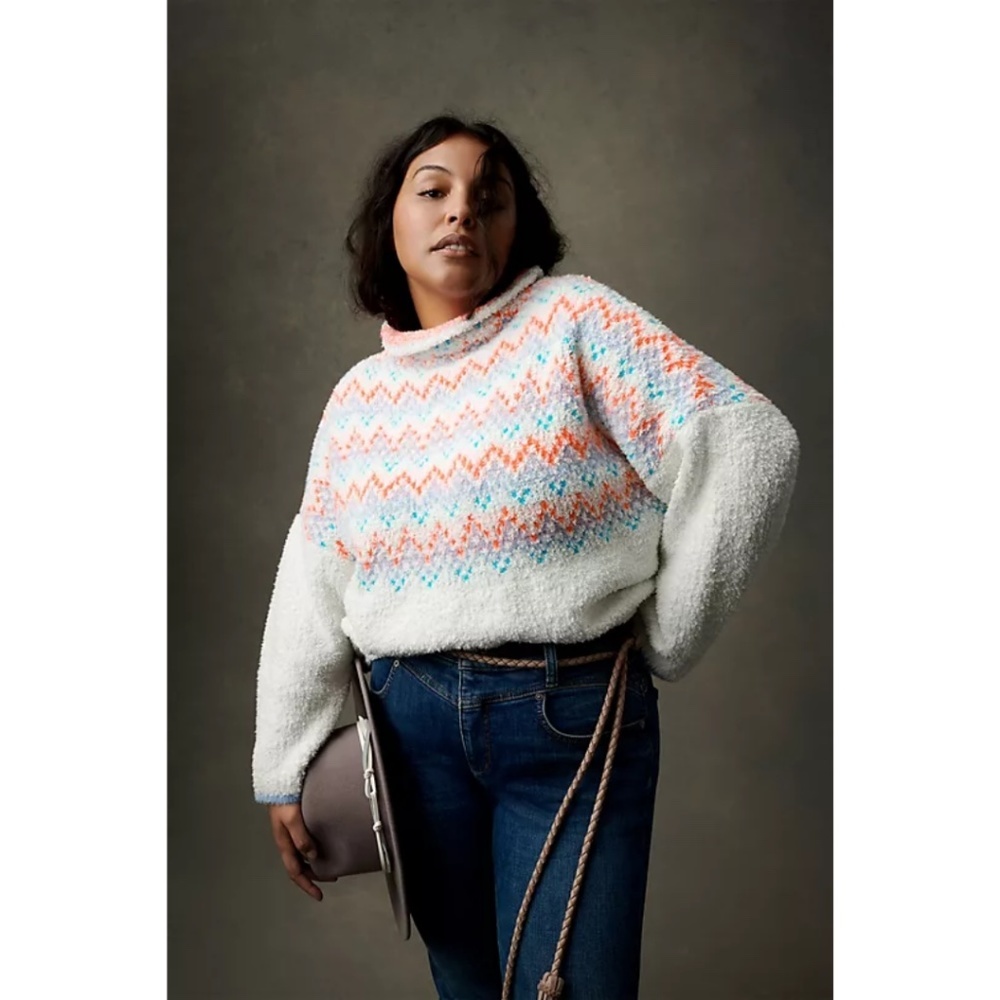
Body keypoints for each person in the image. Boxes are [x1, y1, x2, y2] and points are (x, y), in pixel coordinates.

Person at [252, 113, 800, 999]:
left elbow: (750, 444)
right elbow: (315, 575)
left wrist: (669, 632)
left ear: (517, 228)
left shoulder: (573, 321)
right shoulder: (359, 398)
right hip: (408, 739)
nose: (461, 210)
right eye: (433, 190)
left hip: (569, 718)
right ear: (391, 224)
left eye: (490, 195)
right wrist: (285, 762)